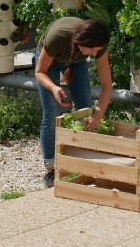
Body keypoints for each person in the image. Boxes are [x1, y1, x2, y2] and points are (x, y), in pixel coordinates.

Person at [34, 16, 112, 188]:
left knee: (86, 108)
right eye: (92, 50)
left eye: (97, 50)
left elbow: (107, 85)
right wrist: (54, 88)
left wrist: (97, 116)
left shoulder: (97, 45)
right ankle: (51, 168)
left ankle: (83, 162)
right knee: (52, 113)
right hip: (50, 61)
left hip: (76, 61)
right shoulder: (57, 37)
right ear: (81, 41)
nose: (95, 53)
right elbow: (39, 72)